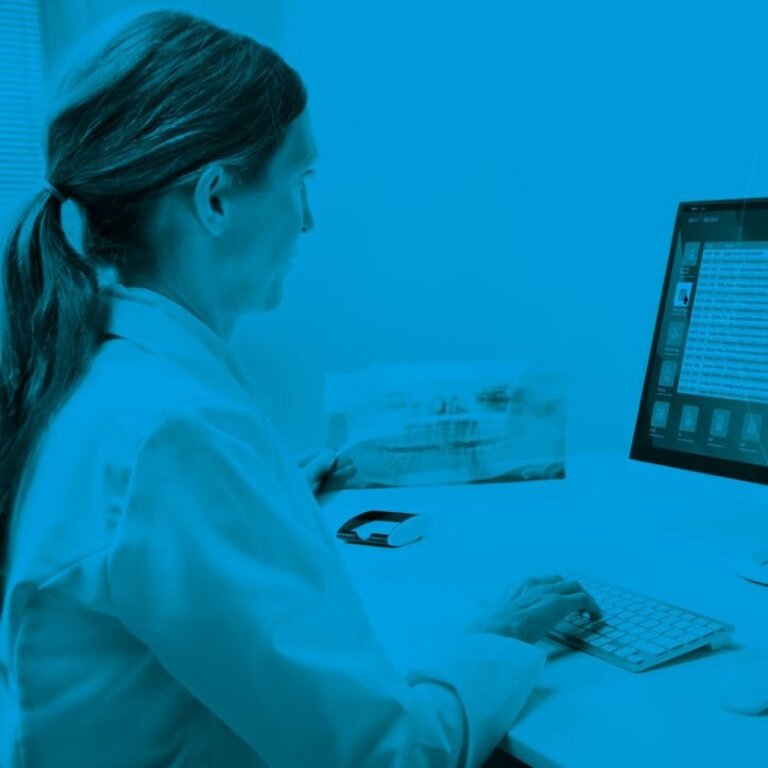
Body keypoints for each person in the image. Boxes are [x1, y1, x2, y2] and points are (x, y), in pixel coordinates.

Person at [0, 11, 600, 767]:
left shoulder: (103, 380)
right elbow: (387, 756)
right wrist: (501, 640)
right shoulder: (172, 433)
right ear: (215, 199)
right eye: (300, 180)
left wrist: (264, 491)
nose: (309, 221)